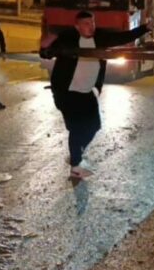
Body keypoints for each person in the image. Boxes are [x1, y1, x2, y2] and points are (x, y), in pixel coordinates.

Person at [44, 11, 148, 178]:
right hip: (67, 92)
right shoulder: (68, 38)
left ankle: (76, 152)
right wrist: (46, 48)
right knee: (77, 128)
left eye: (92, 23)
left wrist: (145, 28)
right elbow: (47, 52)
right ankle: (75, 166)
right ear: (77, 26)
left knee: (94, 126)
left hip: (87, 92)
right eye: (86, 24)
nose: (90, 27)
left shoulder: (100, 37)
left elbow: (123, 37)